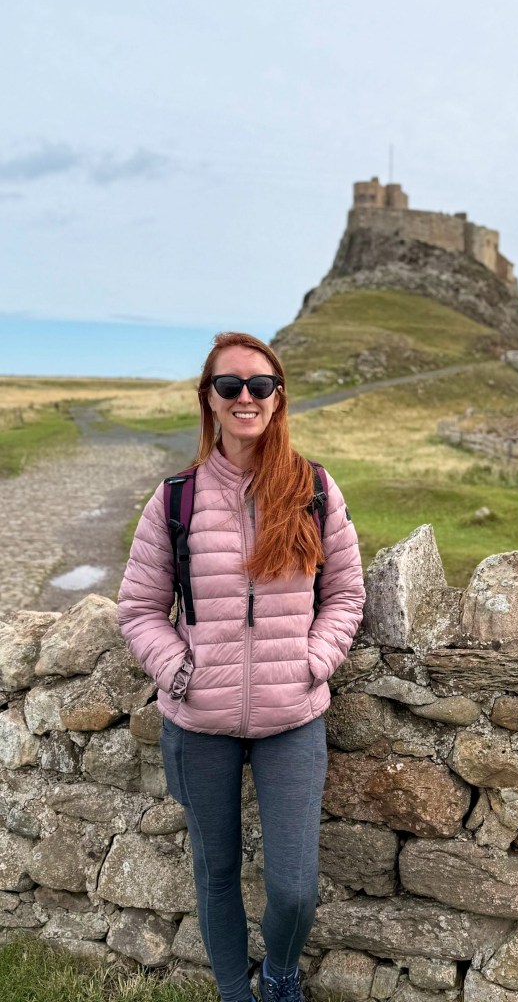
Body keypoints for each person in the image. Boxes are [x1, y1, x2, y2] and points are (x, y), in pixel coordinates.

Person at [118, 332, 365, 1002]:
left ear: (278, 398)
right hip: (198, 721)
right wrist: (180, 672)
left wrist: (313, 661)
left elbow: (345, 593)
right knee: (216, 873)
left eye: (260, 385)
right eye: (230, 386)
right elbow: (139, 609)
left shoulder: (313, 487)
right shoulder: (176, 500)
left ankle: (281, 975)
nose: (245, 397)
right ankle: (235, 993)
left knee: (293, 886)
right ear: (210, 399)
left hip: (293, 716)